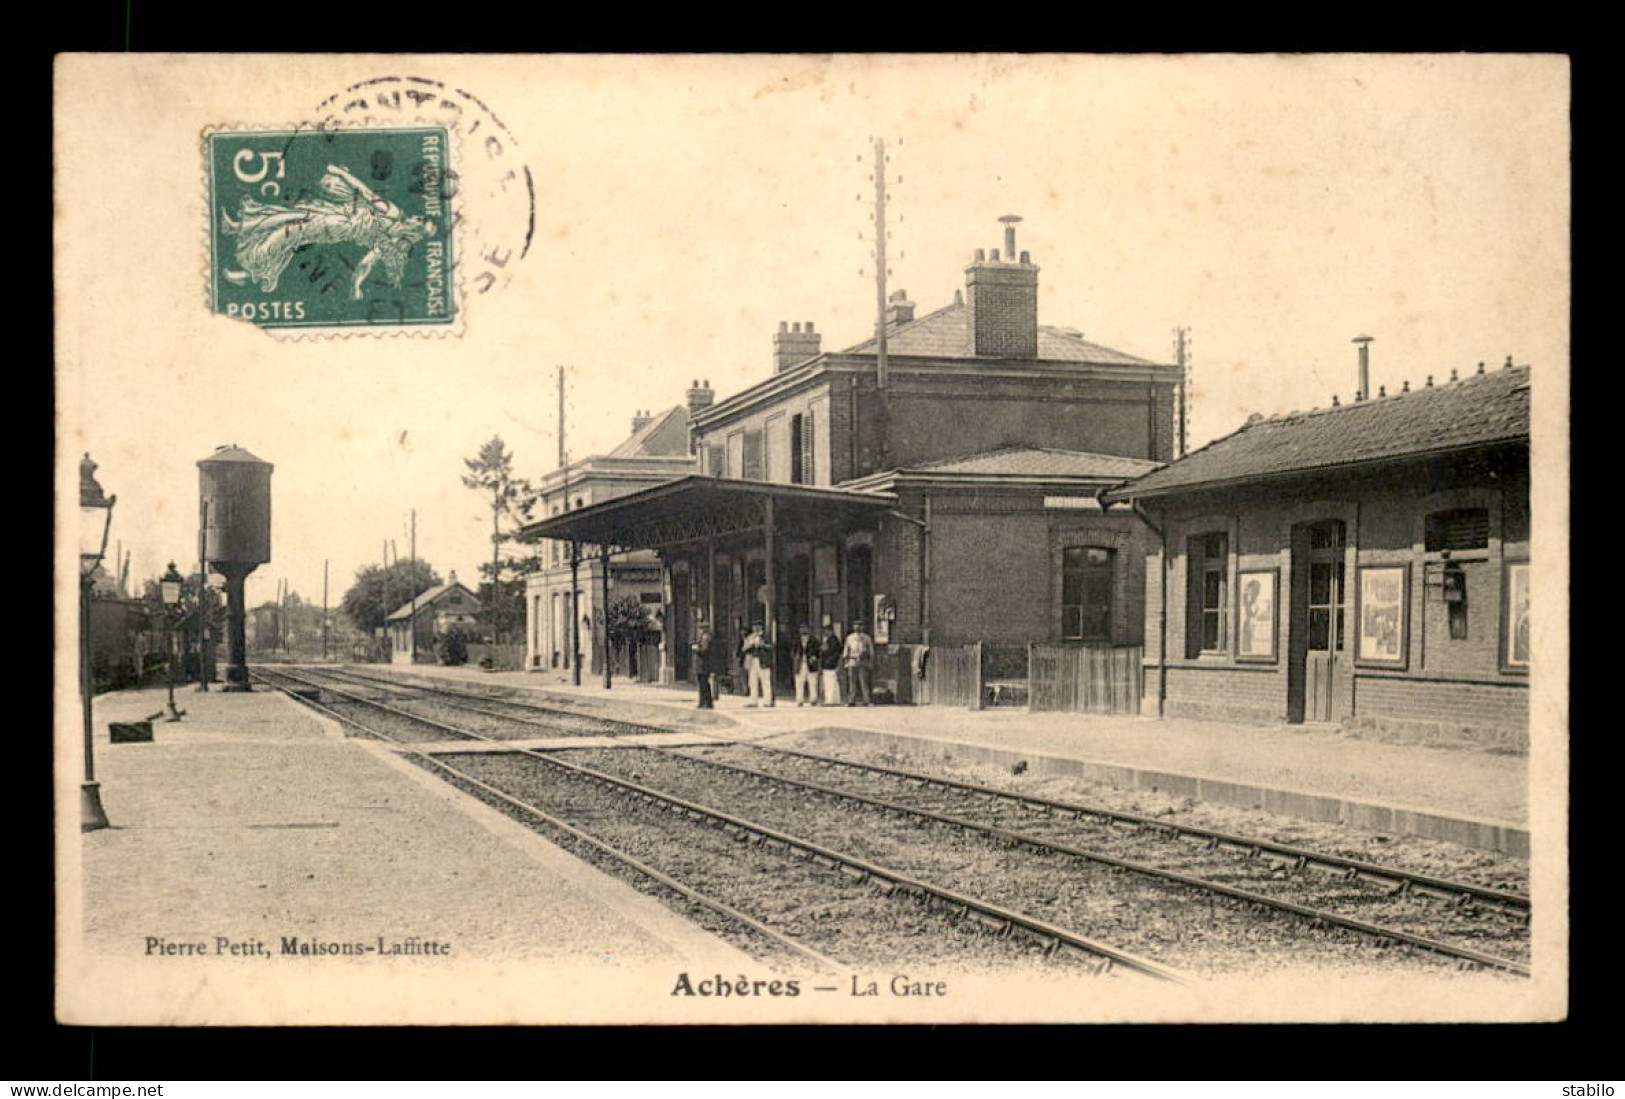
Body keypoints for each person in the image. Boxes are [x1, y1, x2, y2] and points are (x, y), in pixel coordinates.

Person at [842, 620, 875, 706]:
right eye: (855, 625)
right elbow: (846, 650)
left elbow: (871, 651)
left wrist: (870, 661)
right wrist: (845, 660)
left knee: (864, 681)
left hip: (863, 662)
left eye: (859, 625)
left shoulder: (867, 638)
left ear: (862, 627)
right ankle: (851, 700)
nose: (857, 627)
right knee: (852, 682)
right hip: (852, 661)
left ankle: (867, 700)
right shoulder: (849, 638)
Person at [742, 621, 773, 708]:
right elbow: (744, 649)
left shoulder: (766, 636)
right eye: (754, 626)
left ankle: (767, 701)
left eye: (758, 626)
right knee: (752, 681)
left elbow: (771, 647)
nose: (755, 628)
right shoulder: (750, 637)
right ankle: (753, 700)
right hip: (752, 660)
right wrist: (750, 646)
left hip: (763, 660)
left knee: (765, 681)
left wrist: (762, 645)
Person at [791, 623, 820, 706]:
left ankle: (813, 699)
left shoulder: (814, 640)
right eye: (802, 628)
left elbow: (818, 651)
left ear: (809, 630)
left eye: (805, 628)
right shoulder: (796, 640)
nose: (803, 630)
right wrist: (795, 658)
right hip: (800, 663)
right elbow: (793, 651)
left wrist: (815, 657)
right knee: (799, 682)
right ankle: (799, 700)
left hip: (811, 663)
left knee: (813, 682)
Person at [690, 625, 717, 709]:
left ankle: (704, 702)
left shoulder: (705, 637)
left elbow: (704, 651)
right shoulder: (705, 637)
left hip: (703, 664)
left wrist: (696, 649)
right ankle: (706, 702)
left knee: (703, 684)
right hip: (703, 664)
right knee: (704, 684)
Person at [818, 622, 844, 706]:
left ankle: (830, 699)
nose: (824, 633)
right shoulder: (832, 639)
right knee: (833, 682)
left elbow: (835, 652)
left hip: (830, 664)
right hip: (830, 663)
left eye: (825, 631)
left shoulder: (833, 640)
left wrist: (829, 659)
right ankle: (836, 699)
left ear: (830, 631)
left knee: (829, 682)